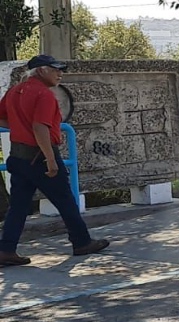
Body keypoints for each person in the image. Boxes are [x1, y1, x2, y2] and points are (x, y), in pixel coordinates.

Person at [0, 55, 109, 267]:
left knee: (19, 206)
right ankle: (81, 242)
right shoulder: (44, 95)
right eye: (55, 69)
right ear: (40, 71)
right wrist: (51, 159)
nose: (60, 73)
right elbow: (40, 127)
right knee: (65, 200)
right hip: (40, 157)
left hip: (18, 157)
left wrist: (19, 129)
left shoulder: (15, 91)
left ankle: (6, 249)